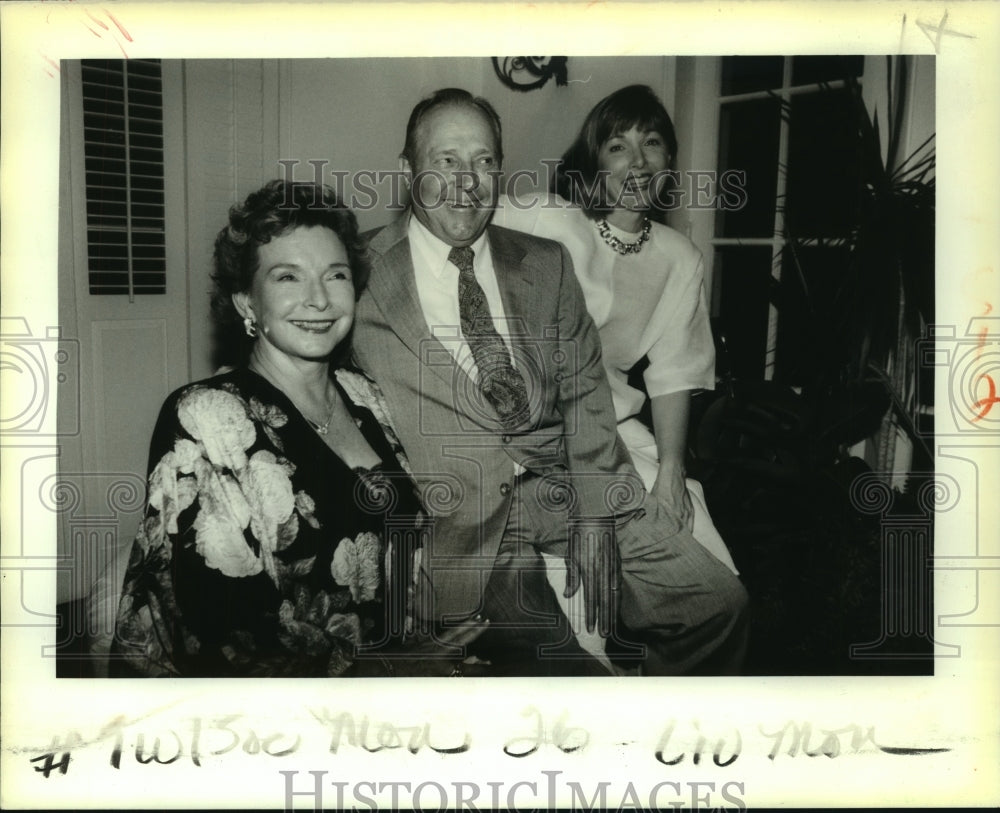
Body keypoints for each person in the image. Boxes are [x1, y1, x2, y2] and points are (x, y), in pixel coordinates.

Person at [353, 88, 748, 676]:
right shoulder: (356, 273)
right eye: (447, 161)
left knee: (719, 606)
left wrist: (594, 513)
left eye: (484, 162)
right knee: (570, 675)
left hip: (563, 483)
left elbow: (588, 395)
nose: (468, 181)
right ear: (409, 171)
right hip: (458, 512)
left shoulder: (543, 260)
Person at [111, 179, 484, 677]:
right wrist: (388, 670)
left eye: (336, 275)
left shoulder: (366, 396)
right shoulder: (205, 418)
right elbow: (216, 640)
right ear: (246, 302)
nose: (319, 300)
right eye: (288, 277)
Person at [495, 84, 737, 574]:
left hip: (613, 430)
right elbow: (451, 230)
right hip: (521, 433)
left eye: (650, 142)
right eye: (617, 146)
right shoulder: (546, 216)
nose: (637, 161)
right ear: (594, 161)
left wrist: (672, 471)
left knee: (704, 554)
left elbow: (672, 374)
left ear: (669, 158)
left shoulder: (679, 258)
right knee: (589, 580)